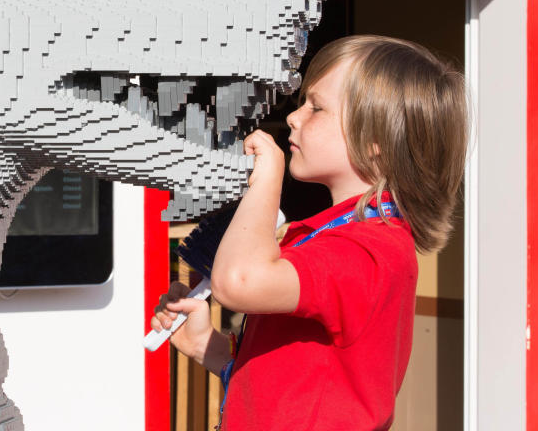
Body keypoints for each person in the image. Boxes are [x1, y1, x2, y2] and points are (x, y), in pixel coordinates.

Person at [151, 35, 469, 431]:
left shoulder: (367, 251)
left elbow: (239, 282)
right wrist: (206, 346)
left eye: (316, 107)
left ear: (376, 143)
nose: (294, 117)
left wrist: (267, 178)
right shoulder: (330, 238)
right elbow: (290, 384)